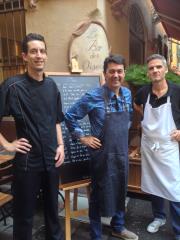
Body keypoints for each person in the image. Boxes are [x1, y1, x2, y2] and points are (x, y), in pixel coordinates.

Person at [65, 54, 138, 240]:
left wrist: (124, 141)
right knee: (98, 195)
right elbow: (70, 116)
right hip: (102, 156)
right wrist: (83, 137)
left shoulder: (128, 94)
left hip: (121, 153)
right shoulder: (93, 96)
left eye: (119, 71)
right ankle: (96, 235)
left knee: (121, 189)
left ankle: (118, 227)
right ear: (104, 74)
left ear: (124, 73)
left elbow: (128, 119)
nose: (116, 75)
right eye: (111, 71)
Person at [0, 33, 65, 240]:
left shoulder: (52, 86)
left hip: (51, 160)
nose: (39, 55)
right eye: (34, 51)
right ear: (25, 56)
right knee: (24, 217)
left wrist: (61, 145)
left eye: (42, 51)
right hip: (27, 163)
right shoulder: (12, 86)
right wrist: (8, 145)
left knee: (53, 214)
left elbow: (56, 120)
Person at [134, 54, 180, 240]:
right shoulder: (143, 92)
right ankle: (159, 217)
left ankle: (178, 230)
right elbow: (137, 106)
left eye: (158, 67)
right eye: (151, 68)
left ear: (165, 70)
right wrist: (143, 121)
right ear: (148, 72)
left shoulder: (177, 91)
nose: (155, 70)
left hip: (169, 146)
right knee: (153, 184)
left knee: (174, 187)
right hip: (149, 146)